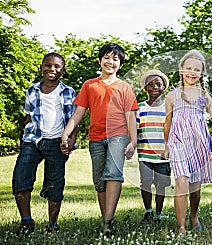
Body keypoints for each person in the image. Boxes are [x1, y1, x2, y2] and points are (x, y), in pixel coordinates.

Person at [61, 43, 138, 236]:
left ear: (120, 64)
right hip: (96, 138)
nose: (110, 62)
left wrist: (133, 141)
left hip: (118, 136)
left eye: (115, 59)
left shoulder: (125, 87)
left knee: (113, 174)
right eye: (107, 57)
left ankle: (108, 221)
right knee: (99, 180)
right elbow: (79, 112)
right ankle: (107, 221)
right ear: (100, 60)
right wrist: (66, 132)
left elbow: (131, 116)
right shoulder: (89, 85)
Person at [12, 52, 77, 235]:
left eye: (57, 66)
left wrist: (71, 139)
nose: (52, 69)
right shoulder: (32, 90)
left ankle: (52, 224)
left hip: (57, 142)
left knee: (55, 184)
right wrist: (23, 140)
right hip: (32, 141)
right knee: (20, 177)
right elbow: (28, 117)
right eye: (48, 65)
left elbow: (74, 119)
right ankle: (26, 221)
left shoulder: (68, 92)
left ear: (62, 71)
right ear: (41, 67)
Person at [163, 50, 212, 236]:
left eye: (197, 69)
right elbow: (167, 123)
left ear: (202, 73)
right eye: (188, 68)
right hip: (178, 143)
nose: (192, 72)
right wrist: (167, 146)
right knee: (181, 181)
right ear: (181, 70)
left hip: (199, 145)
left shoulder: (204, 96)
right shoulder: (171, 96)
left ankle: (194, 216)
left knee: (195, 190)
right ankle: (181, 227)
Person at [136, 70, 171, 227]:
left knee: (161, 185)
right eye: (150, 84)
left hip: (163, 155)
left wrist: (168, 148)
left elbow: (172, 130)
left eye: (158, 84)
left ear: (164, 87)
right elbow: (135, 129)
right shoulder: (140, 108)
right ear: (145, 88)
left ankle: (159, 213)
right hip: (144, 154)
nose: (154, 87)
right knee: (146, 183)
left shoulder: (168, 108)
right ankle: (148, 212)